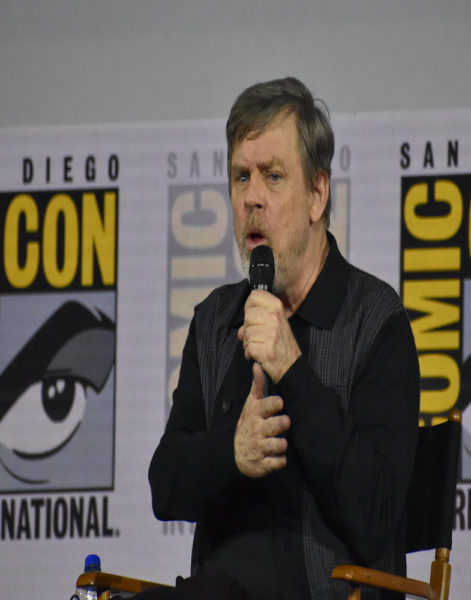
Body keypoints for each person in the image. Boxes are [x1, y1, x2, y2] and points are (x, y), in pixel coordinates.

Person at [146, 77, 420, 599]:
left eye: (273, 177)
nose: (252, 197)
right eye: (240, 177)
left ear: (317, 194)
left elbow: (376, 516)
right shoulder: (216, 322)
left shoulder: (374, 321)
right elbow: (167, 485)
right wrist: (233, 450)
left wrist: (293, 370)